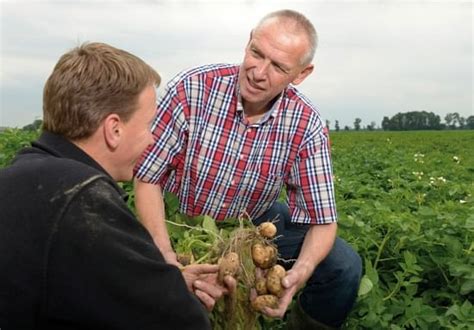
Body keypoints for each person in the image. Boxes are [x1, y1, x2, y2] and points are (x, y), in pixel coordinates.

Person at [134, 9, 362, 329]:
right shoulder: (193, 88)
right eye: (257, 53)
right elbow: (147, 177)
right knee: (183, 309)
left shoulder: (305, 122)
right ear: (248, 42)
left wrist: (301, 272)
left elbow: (323, 220)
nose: (258, 72)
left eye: (278, 66)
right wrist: (164, 253)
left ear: (301, 73)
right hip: (180, 220)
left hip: (255, 223)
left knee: (345, 267)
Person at [0, 42, 230, 329]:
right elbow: (180, 322)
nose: (151, 139)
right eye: (147, 125)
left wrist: (166, 281)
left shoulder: (20, 177)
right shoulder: (83, 198)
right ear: (114, 130)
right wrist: (179, 299)